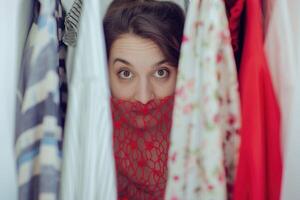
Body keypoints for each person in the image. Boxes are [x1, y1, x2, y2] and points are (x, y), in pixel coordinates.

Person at [103, 0, 185, 199]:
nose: (143, 97)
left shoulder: (204, 151)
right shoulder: (89, 152)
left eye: (161, 72)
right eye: (125, 73)